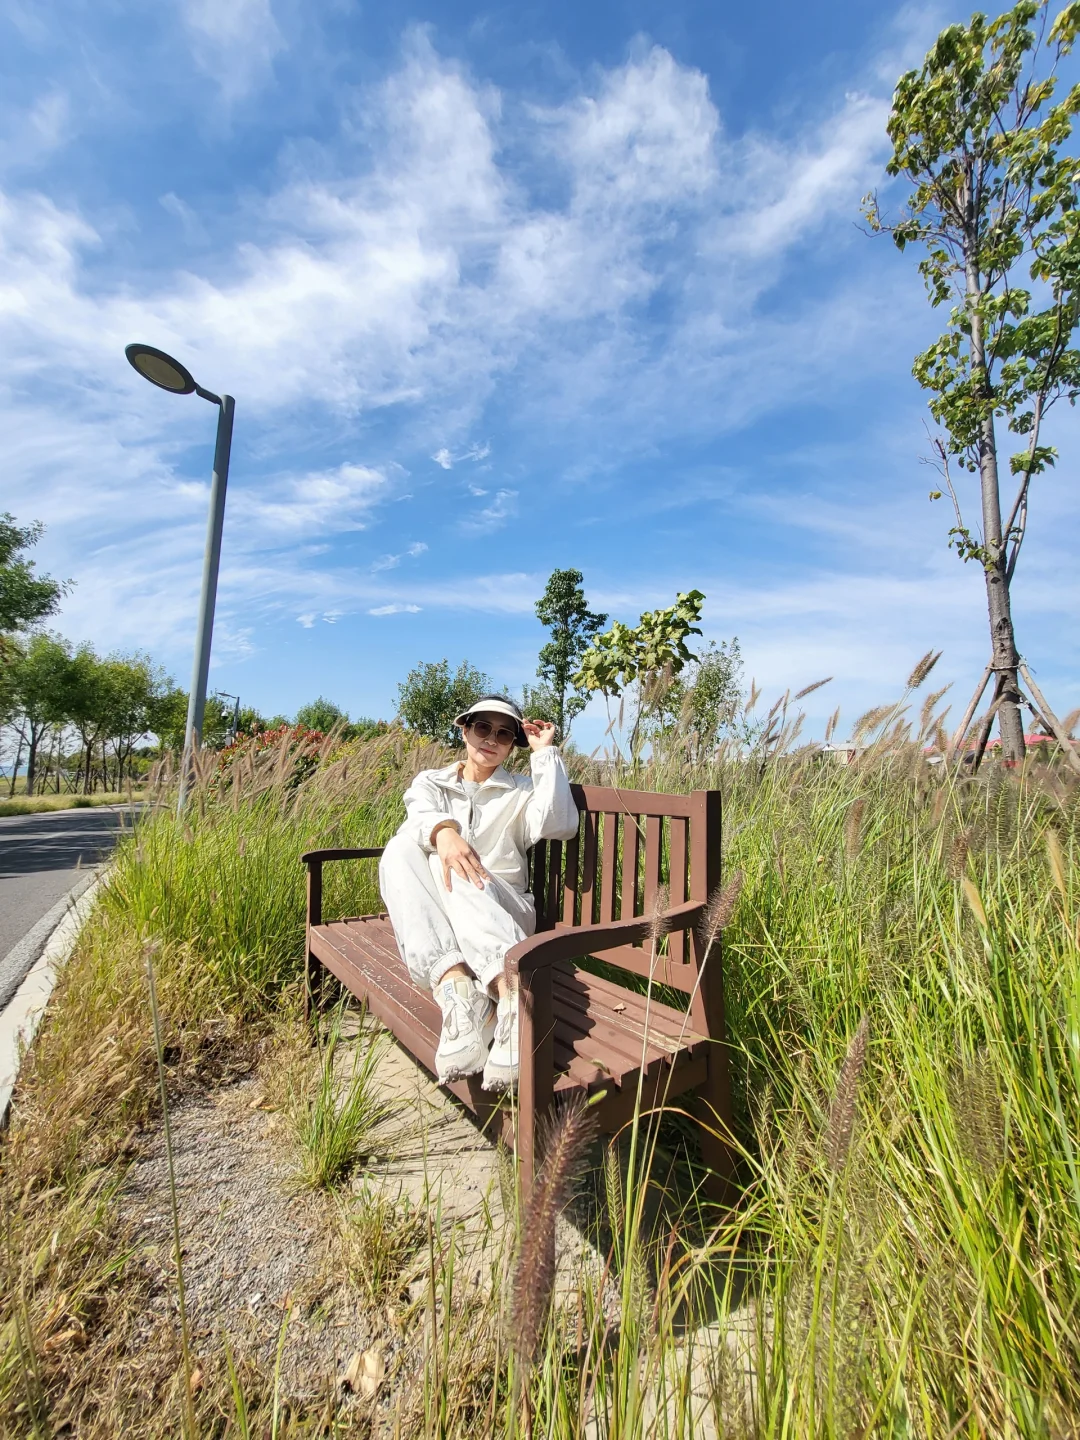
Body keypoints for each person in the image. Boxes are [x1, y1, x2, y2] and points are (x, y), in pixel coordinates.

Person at [379, 695, 580, 1090]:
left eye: (505, 734)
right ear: (465, 728)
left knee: (449, 863)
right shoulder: (432, 782)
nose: (492, 739)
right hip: (451, 917)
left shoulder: (521, 791)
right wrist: (445, 832)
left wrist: (545, 754)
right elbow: (419, 816)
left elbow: (561, 824)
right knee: (399, 849)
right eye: (482, 727)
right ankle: (457, 990)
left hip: (505, 912)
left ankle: (512, 997)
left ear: (512, 746)